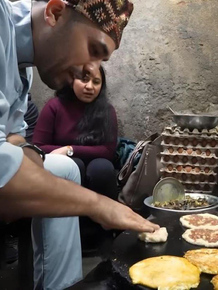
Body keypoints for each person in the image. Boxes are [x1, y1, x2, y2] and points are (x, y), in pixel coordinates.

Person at [0, 0, 159, 289]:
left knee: (64, 169)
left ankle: (61, 285)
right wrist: (99, 205)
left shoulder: (23, 69)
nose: (91, 71)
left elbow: (15, 139)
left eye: (101, 64)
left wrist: (29, 155)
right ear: (55, 13)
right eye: (93, 50)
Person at [33, 65, 119, 201]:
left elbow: (108, 151)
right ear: (71, 80)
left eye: (96, 82)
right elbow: (38, 146)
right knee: (73, 165)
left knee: (102, 168)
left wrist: (69, 149)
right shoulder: (54, 106)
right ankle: (71, 219)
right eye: (84, 80)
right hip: (62, 167)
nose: (90, 86)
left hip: (96, 167)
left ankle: (103, 219)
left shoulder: (107, 111)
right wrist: (66, 154)